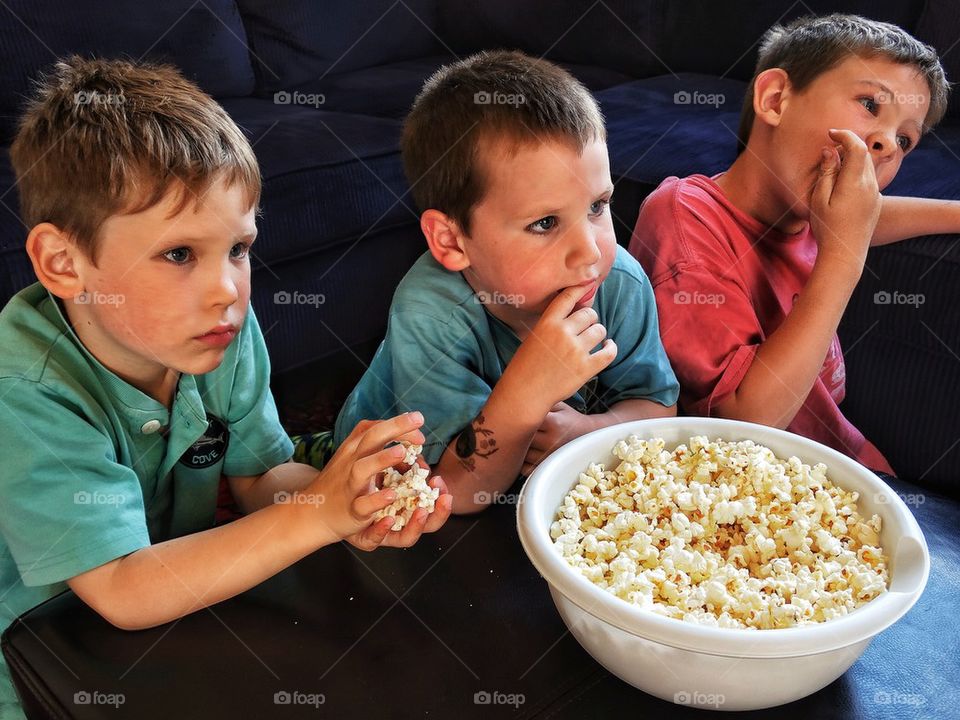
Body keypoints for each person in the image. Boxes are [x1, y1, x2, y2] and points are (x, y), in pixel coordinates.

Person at [0, 56, 451, 719]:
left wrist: (351, 502)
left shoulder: (217, 333)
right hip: (40, 651)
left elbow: (261, 477)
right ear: (65, 265)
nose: (228, 292)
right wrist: (315, 518)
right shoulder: (27, 392)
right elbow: (121, 588)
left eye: (238, 249)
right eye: (180, 254)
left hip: (177, 598)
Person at [335, 51, 679, 513]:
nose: (592, 253)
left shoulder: (620, 282)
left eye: (597, 206)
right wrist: (527, 392)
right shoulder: (430, 311)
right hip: (404, 471)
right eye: (544, 223)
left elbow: (658, 408)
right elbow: (452, 492)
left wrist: (588, 431)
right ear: (452, 241)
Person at [629, 14, 956, 474]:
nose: (886, 142)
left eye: (905, 139)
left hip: (846, 465)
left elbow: (870, 216)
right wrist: (843, 259)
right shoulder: (685, 214)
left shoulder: (813, 213)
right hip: (755, 488)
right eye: (869, 103)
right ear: (777, 99)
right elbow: (744, 425)